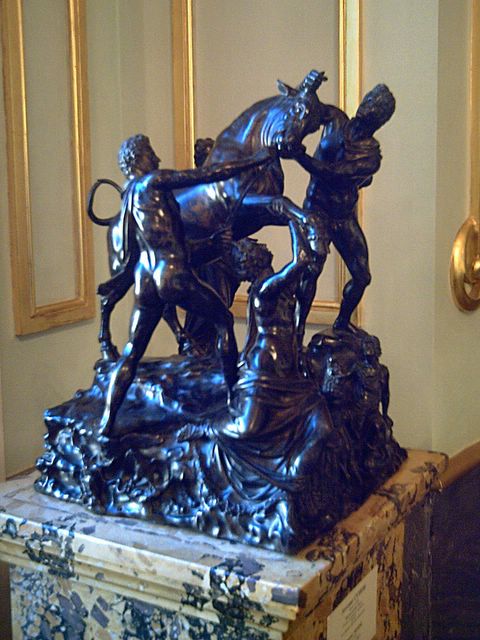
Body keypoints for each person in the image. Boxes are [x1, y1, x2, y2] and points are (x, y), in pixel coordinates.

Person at [98, 134, 271, 437]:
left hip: (146, 282)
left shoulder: (129, 200)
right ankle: (234, 401)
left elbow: (163, 246)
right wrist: (253, 161)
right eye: (150, 153)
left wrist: (213, 244)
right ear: (137, 158)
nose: (156, 159)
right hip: (172, 275)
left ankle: (106, 424)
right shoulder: (152, 182)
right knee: (224, 320)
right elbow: (207, 175)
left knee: (131, 353)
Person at [289, 84, 395, 337]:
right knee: (311, 269)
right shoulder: (336, 119)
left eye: (376, 106)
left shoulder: (370, 156)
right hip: (316, 210)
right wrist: (306, 90)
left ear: (381, 119)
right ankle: (297, 330)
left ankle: (341, 323)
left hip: (342, 216)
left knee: (361, 275)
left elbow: (333, 174)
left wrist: (299, 156)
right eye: (370, 100)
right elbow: (311, 110)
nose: (369, 106)